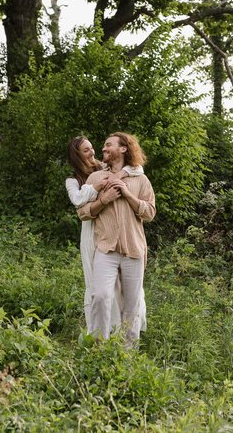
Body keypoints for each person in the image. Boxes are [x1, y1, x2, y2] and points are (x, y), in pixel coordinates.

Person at [77, 132, 155, 346]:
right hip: (106, 249)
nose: (103, 149)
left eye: (108, 145)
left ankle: (128, 356)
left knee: (132, 306)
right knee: (100, 296)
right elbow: (82, 213)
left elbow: (149, 213)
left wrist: (127, 194)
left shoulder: (141, 180)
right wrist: (104, 200)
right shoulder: (95, 179)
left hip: (134, 250)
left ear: (123, 149)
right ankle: (100, 349)